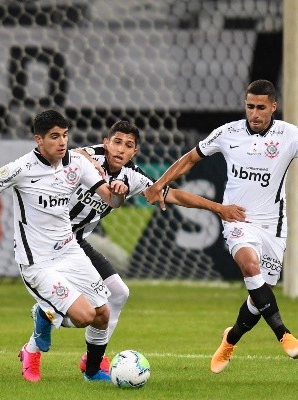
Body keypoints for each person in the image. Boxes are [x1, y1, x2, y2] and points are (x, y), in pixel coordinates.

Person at [144, 79, 298, 373]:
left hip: (273, 227)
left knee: (259, 295)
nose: (254, 113)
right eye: (250, 106)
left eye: (261, 107)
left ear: (273, 107)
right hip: (237, 219)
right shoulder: (227, 133)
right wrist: (160, 183)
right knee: (250, 267)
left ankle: (230, 339)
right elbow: (190, 159)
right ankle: (284, 334)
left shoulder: (287, 134)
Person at [0, 110, 128, 383]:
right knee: (85, 315)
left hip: (70, 251)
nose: (62, 142)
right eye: (54, 137)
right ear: (38, 140)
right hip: (37, 263)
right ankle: (35, 337)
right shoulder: (22, 169)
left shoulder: (77, 163)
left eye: (65, 135)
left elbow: (111, 200)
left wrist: (119, 195)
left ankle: (92, 372)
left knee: (103, 314)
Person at [29, 120, 247, 374]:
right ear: (106, 142)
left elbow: (172, 194)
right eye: (117, 142)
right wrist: (90, 162)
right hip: (49, 242)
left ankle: (91, 363)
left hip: (77, 242)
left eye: (128, 145)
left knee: (118, 294)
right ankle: (36, 341)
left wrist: (218, 208)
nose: (121, 149)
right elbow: (71, 152)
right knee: (81, 310)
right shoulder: (88, 156)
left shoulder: (131, 176)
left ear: (135, 152)